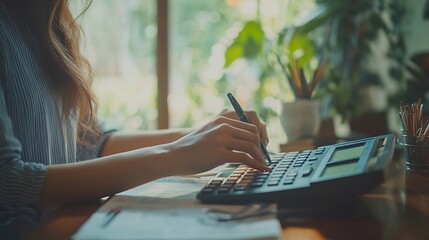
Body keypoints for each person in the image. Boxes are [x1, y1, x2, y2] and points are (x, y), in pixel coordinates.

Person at [0, 0, 270, 239]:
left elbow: (93, 144)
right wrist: (179, 153)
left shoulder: (50, 24)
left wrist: (210, 133)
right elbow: (9, 184)